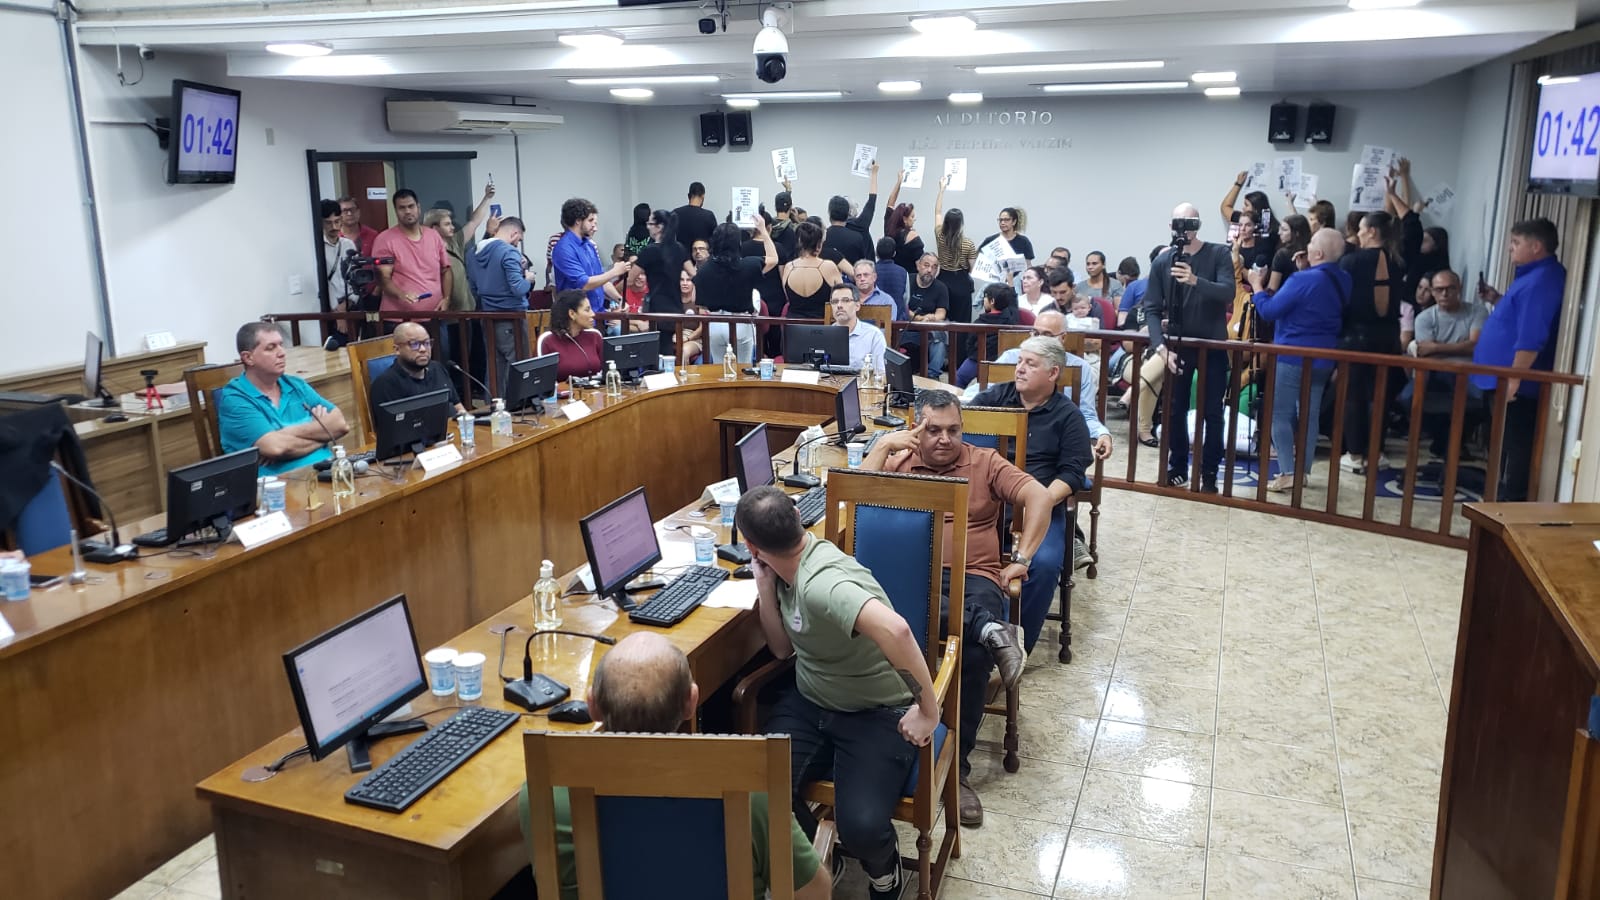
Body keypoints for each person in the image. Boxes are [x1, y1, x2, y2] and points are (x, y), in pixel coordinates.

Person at [516, 632, 830, 900]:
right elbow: (813, 893)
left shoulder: (545, 792)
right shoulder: (748, 788)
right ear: (691, 702)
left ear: (592, 706)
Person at [736, 485, 938, 900]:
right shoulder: (785, 571)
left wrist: (928, 710)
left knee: (861, 827)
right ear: (798, 517)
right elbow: (782, 649)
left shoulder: (822, 583)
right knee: (757, 785)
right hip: (813, 700)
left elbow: (897, 630)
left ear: (750, 545)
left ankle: (885, 871)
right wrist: (764, 586)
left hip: (875, 709)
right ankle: (816, 859)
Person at [862, 389, 1044, 828]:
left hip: (974, 577)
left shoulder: (984, 462)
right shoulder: (900, 461)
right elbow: (855, 498)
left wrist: (1022, 558)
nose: (945, 439)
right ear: (917, 428)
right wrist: (883, 447)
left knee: (974, 654)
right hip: (911, 575)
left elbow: (1038, 496)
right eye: (934, 430)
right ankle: (990, 629)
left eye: (953, 430)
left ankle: (956, 769)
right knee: (877, 610)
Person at [968, 336, 1091, 652]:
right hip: (990, 504)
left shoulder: (1069, 416)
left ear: (1053, 373)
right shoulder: (995, 398)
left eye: (1030, 364)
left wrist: (1041, 502)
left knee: (1046, 563)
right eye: (1019, 361)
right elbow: (963, 432)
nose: (1019, 369)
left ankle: (1015, 645)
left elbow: (1073, 473)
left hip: (1041, 508)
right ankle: (978, 633)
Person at [1143, 203, 1236, 492]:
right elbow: (1151, 308)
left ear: (1199, 225)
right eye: (1179, 222)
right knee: (1174, 409)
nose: (1184, 228)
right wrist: (1161, 347)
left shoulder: (1219, 253)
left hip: (1213, 345)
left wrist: (1195, 280)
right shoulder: (1163, 261)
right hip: (1177, 346)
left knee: (1213, 412)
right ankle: (1178, 467)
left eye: (1190, 222)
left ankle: (1210, 472)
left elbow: (1228, 292)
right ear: (1170, 226)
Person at [1472, 217, 1566, 501]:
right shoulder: (1530, 276)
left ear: (1536, 246)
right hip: (1501, 378)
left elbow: (1532, 335)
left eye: (1516, 243)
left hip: (1519, 384)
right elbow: (1517, 316)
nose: (1510, 248)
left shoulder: (1543, 280)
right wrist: (1496, 299)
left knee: (1515, 446)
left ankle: (1509, 502)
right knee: (1503, 443)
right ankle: (1499, 496)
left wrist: (1515, 378)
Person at [1249, 229, 1349, 493]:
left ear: (1318, 252)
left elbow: (1269, 311)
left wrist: (1257, 286)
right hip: (1325, 358)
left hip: (1293, 355)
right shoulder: (1344, 279)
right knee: (1309, 414)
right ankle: (1302, 472)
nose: (1307, 245)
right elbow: (1317, 298)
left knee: (1279, 413)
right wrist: (1306, 270)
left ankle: (1287, 472)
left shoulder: (1301, 279)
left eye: (1312, 242)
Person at [216, 322, 349, 475]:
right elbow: (276, 448)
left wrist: (282, 434)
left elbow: (341, 425)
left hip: (327, 471)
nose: (281, 353)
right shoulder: (235, 399)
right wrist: (323, 433)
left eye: (281, 345)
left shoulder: (296, 385)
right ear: (248, 358)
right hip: (279, 484)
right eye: (271, 348)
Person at [1337, 210, 1405, 477]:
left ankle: (1355, 454)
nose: (1358, 234)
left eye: (1361, 229)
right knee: (1381, 395)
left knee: (1353, 395)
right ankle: (1376, 453)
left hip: (1356, 336)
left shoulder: (1351, 261)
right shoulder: (1397, 260)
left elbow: (1341, 300)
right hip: (1389, 336)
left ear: (1372, 231)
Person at [1404, 270, 1486, 460]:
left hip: (1469, 371)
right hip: (1435, 371)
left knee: (1482, 400)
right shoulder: (1425, 318)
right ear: (1433, 292)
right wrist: (1460, 347)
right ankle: (1443, 440)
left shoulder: (1477, 311)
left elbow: (1475, 346)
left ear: (1459, 289)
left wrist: (1436, 347)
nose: (1445, 294)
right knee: (1408, 399)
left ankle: (1452, 443)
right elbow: (1426, 355)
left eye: (1450, 288)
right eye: (1439, 289)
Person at [468, 215, 535, 393]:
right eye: (519, 240)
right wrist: (528, 278)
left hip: (488, 317)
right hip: (512, 317)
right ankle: (517, 404)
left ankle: (494, 404)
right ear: (514, 234)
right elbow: (518, 288)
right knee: (518, 365)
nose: (517, 244)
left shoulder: (473, 253)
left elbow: (473, 287)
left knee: (494, 366)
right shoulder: (509, 252)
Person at [694, 219, 776, 366]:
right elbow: (773, 259)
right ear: (738, 243)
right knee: (743, 368)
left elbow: (702, 305)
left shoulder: (704, 270)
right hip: (741, 323)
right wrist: (763, 231)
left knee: (719, 368)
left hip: (715, 322)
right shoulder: (749, 265)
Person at [373, 189, 451, 328]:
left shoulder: (433, 236)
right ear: (396, 211)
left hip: (435, 316)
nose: (407, 211)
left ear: (418, 208)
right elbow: (383, 278)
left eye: (411, 206)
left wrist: (446, 298)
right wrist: (401, 294)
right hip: (399, 320)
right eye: (402, 208)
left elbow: (446, 270)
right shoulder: (384, 239)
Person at [368, 322, 465, 416]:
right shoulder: (385, 384)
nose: (423, 349)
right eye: (414, 344)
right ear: (397, 349)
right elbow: (390, 425)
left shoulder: (437, 368)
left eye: (427, 343)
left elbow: (457, 405)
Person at [552, 198, 629, 316]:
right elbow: (584, 284)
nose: (595, 227)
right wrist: (614, 272)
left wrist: (619, 300)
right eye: (590, 220)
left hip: (597, 314)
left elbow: (602, 280)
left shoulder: (589, 245)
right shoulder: (564, 248)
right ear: (578, 221)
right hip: (576, 316)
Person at [635, 209, 693, 356]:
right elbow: (693, 274)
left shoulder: (648, 251)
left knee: (655, 350)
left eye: (650, 224)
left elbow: (630, 278)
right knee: (666, 348)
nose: (648, 227)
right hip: (676, 307)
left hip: (656, 308)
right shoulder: (679, 248)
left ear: (659, 227)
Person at [933, 178, 978, 358]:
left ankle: (941, 357)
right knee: (961, 325)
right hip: (961, 284)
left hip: (943, 281)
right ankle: (958, 360)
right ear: (961, 224)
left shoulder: (939, 235)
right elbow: (972, 269)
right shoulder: (968, 244)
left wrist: (942, 189)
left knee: (942, 322)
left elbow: (937, 211)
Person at [954, 283, 1021, 389]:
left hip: (977, 359)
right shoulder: (1012, 318)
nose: (983, 299)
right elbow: (1013, 303)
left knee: (958, 379)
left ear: (992, 301)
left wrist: (973, 355)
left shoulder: (980, 322)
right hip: (1003, 360)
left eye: (985, 297)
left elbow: (970, 342)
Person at [536, 290, 605, 381]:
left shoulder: (595, 335)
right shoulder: (547, 340)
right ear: (572, 314)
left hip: (595, 389)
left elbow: (606, 371)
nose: (593, 314)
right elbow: (542, 380)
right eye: (587, 310)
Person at [781, 221, 844, 321]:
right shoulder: (828, 266)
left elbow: (787, 296)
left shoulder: (789, 267)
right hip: (822, 325)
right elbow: (842, 295)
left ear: (800, 243)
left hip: (793, 325)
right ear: (818, 245)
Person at [823, 161, 879, 269]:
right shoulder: (861, 226)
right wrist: (874, 174)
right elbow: (872, 201)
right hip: (859, 274)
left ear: (829, 213)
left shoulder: (823, 236)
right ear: (848, 212)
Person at [902, 252, 949, 377]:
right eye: (926, 265)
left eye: (934, 267)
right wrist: (917, 318)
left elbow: (941, 313)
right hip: (907, 326)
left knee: (940, 338)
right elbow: (901, 305)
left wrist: (931, 317)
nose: (929, 270)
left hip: (928, 329)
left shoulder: (941, 287)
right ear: (918, 265)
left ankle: (932, 375)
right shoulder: (907, 280)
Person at [319, 199, 358, 347]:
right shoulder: (318, 247)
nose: (334, 227)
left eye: (337, 221)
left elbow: (355, 278)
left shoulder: (348, 244)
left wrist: (348, 303)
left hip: (350, 305)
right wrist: (338, 312)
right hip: (329, 309)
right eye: (328, 223)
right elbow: (324, 282)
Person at [1220, 175, 1280, 266]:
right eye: (1241, 225)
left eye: (1246, 205)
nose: (1243, 208)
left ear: (1256, 209)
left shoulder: (1273, 230)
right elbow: (1225, 207)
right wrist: (1238, 184)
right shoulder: (1243, 218)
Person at [829, 282, 886, 373]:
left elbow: (880, 373)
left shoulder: (874, 335)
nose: (839, 305)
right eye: (835, 301)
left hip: (862, 381)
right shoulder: (824, 335)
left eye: (846, 300)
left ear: (857, 306)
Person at [672, 182, 718, 257]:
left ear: (688, 196)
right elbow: (715, 241)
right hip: (701, 259)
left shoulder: (675, 213)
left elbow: (668, 238)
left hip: (680, 259)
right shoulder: (709, 215)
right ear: (703, 196)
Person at [874, 237, 909, 319]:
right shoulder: (903, 272)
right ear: (894, 253)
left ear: (876, 253)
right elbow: (906, 299)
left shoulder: (869, 271)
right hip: (897, 319)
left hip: (874, 319)